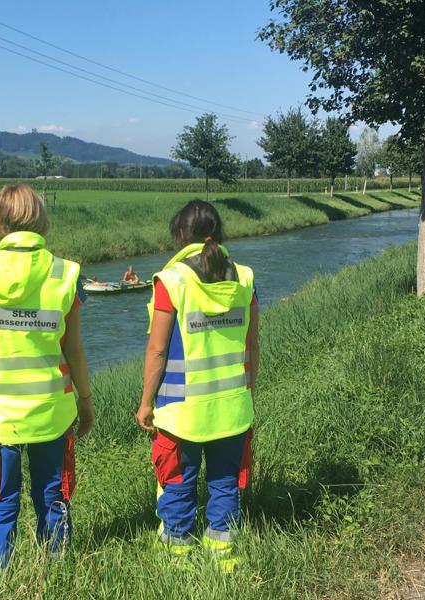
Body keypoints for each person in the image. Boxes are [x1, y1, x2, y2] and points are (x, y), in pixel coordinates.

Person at [0, 184, 95, 583]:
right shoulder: (66, 274)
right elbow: (76, 352)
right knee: (53, 497)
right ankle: (59, 578)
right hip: (52, 413)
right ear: (42, 222)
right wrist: (85, 401)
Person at [135, 199, 259, 572]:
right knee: (224, 482)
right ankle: (223, 555)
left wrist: (145, 404)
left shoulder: (171, 281)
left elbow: (157, 352)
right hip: (232, 407)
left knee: (177, 481)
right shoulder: (244, 278)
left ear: (180, 235)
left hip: (180, 411)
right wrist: (247, 391)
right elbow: (252, 345)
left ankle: (178, 556)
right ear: (218, 233)